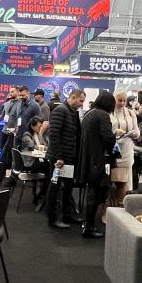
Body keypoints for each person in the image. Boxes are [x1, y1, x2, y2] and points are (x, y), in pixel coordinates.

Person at [78, 92, 116, 239]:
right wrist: (115, 138)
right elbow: (108, 138)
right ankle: (89, 226)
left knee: (91, 193)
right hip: (98, 161)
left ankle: (87, 223)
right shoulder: (103, 116)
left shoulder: (89, 114)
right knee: (95, 194)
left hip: (87, 159)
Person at [45, 89, 85, 229]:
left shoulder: (73, 112)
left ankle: (67, 215)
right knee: (54, 188)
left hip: (69, 158)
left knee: (68, 188)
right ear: (73, 97)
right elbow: (53, 134)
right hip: (60, 159)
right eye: (81, 100)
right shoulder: (60, 110)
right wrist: (59, 157)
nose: (82, 104)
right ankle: (52, 219)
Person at [110, 90, 140, 206]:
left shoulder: (131, 113)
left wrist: (131, 134)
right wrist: (115, 133)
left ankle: (120, 207)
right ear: (114, 99)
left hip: (126, 151)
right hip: (112, 151)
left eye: (124, 101)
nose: (122, 103)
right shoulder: (109, 112)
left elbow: (137, 133)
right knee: (110, 183)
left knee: (123, 183)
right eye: (119, 100)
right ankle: (108, 208)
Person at [18, 116, 50, 207]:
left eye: (41, 126)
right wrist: (41, 133)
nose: (40, 128)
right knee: (49, 169)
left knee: (49, 168)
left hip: (36, 160)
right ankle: (43, 193)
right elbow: (34, 146)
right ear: (32, 126)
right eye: (39, 126)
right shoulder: (27, 135)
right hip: (29, 162)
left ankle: (43, 193)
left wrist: (40, 134)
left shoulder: (36, 134)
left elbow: (43, 144)